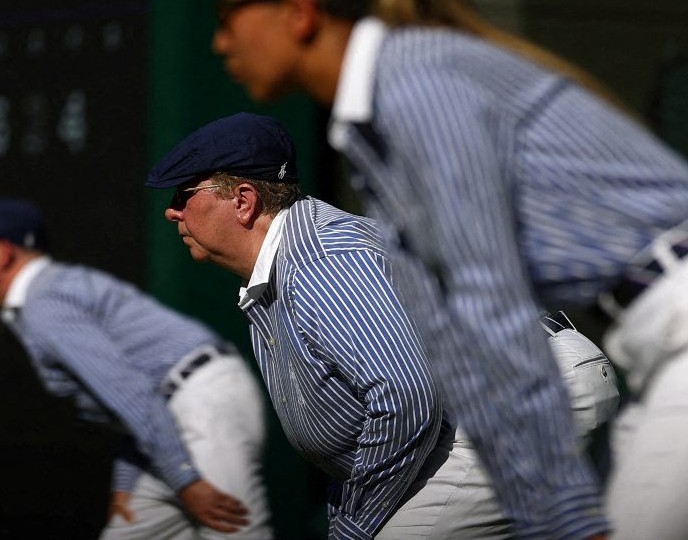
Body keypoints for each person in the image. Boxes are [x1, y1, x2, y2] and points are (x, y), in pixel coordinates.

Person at [209, 0, 688, 540]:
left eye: (230, 12)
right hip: (677, 331)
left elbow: (491, 316)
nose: (220, 40)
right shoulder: (382, 111)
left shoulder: (416, 88)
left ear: (299, 12)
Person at [146, 112, 512, 539]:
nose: (172, 211)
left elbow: (405, 395)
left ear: (243, 201)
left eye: (184, 193)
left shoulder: (321, 262)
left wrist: (356, 525)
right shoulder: (283, 267)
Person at [0, 198, 271, 539]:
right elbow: (129, 392)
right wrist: (129, 475)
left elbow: (131, 390)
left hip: (198, 406)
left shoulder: (43, 303)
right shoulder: (47, 292)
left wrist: (185, 479)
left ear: (3, 253)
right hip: (176, 413)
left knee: (236, 533)